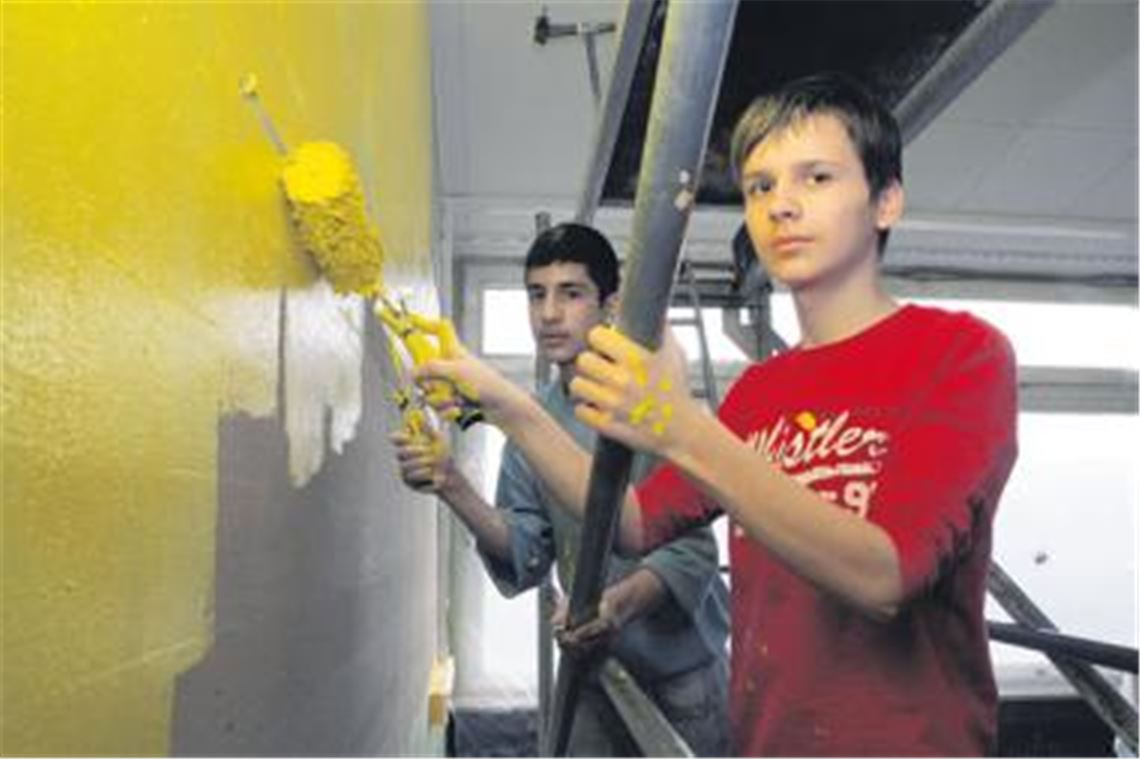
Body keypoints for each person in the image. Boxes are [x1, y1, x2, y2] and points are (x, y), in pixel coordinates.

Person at [414, 73, 1019, 756]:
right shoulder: (760, 392)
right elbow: (635, 521)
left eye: (815, 177)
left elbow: (884, 576)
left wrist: (682, 426)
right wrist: (505, 402)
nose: (781, 206)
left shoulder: (960, 354)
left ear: (886, 201)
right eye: (760, 186)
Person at [392, 222, 730, 756]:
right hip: (593, 672)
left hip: (683, 679)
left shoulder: (652, 408)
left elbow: (692, 551)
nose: (549, 314)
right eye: (536, 294)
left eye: (570, 293)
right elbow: (525, 553)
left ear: (609, 306)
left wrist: (616, 605)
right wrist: (451, 484)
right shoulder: (534, 424)